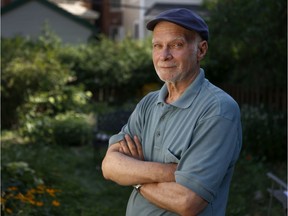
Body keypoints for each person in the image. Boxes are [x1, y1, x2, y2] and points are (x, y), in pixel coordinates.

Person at [102, 8, 242, 216]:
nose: (164, 55)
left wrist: (134, 175)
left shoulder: (218, 110)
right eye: (157, 46)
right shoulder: (148, 104)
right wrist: (168, 172)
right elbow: (110, 166)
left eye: (176, 45)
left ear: (201, 50)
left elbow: (187, 201)